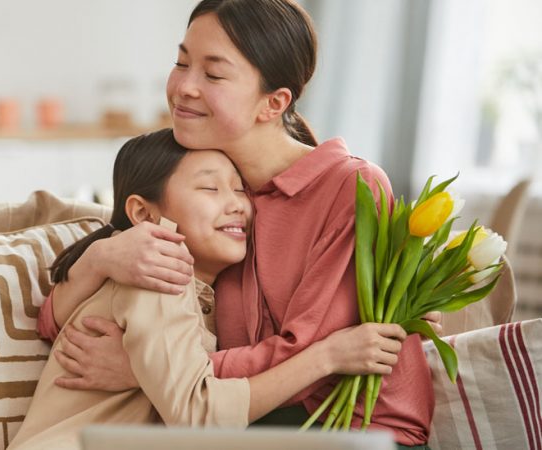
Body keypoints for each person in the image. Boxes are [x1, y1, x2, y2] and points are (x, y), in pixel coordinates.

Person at [36, 0, 435, 448]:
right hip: (244, 417)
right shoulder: (203, 180)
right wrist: (101, 258)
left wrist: (154, 371)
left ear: (274, 103)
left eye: (213, 74)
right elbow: (56, 327)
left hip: (348, 426)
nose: (184, 87)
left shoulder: (350, 188)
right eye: (181, 62)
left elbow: (310, 352)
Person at [9, 129, 406, 450]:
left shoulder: (207, 290)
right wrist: (329, 356)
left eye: (239, 190)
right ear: (144, 213)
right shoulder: (159, 274)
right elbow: (198, 416)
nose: (237, 205)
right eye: (210, 189)